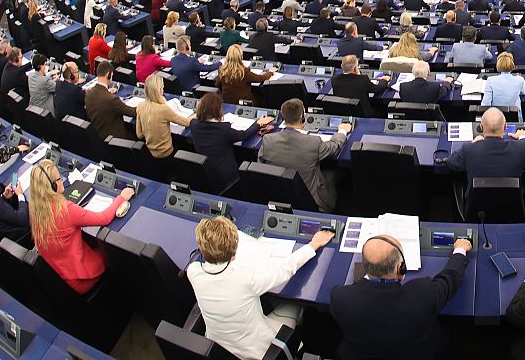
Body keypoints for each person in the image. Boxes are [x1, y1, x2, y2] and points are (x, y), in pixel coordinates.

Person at [188, 215, 335, 359]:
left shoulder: (193, 272)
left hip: (219, 348)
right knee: (297, 305)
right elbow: (285, 269)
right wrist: (314, 244)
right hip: (257, 351)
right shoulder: (246, 280)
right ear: (234, 250)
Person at [330, 233, 472, 360]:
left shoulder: (339, 297)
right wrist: (460, 249)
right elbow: (450, 278)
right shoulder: (423, 294)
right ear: (401, 268)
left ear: (365, 266)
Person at [28, 158, 135, 294]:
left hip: (62, 275)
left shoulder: (34, 209)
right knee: (116, 253)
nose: (62, 180)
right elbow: (104, 218)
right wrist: (121, 197)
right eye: (59, 179)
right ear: (53, 187)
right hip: (82, 278)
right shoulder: (65, 210)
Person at [260, 98, 351, 213]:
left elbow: (261, 164)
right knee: (336, 172)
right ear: (302, 117)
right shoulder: (313, 142)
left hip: (281, 196)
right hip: (313, 201)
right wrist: (342, 131)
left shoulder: (268, 140)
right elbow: (334, 147)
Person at [192, 92, 273, 192]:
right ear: (218, 110)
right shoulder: (223, 129)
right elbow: (243, 135)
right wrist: (258, 123)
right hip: (227, 175)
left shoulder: (194, 125)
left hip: (207, 172)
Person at [447, 106, 525, 184]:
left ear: (481, 127)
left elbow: (451, 163)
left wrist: (472, 143)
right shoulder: (520, 149)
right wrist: (523, 137)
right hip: (511, 200)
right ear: (505, 126)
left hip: (477, 200)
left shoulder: (469, 149)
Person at [134, 74, 194, 171]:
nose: (163, 90)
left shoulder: (140, 106)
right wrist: (197, 114)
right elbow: (187, 123)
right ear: (158, 90)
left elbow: (139, 135)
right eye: (162, 88)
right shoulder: (163, 109)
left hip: (151, 153)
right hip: (167, 154)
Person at [84, 60, 137, 140]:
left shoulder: (89, 93)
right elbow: (133, 112)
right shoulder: (112, 99)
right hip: (116, 139)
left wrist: (107, 92)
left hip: (99, 137)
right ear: (108, 75)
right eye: (111, 76)